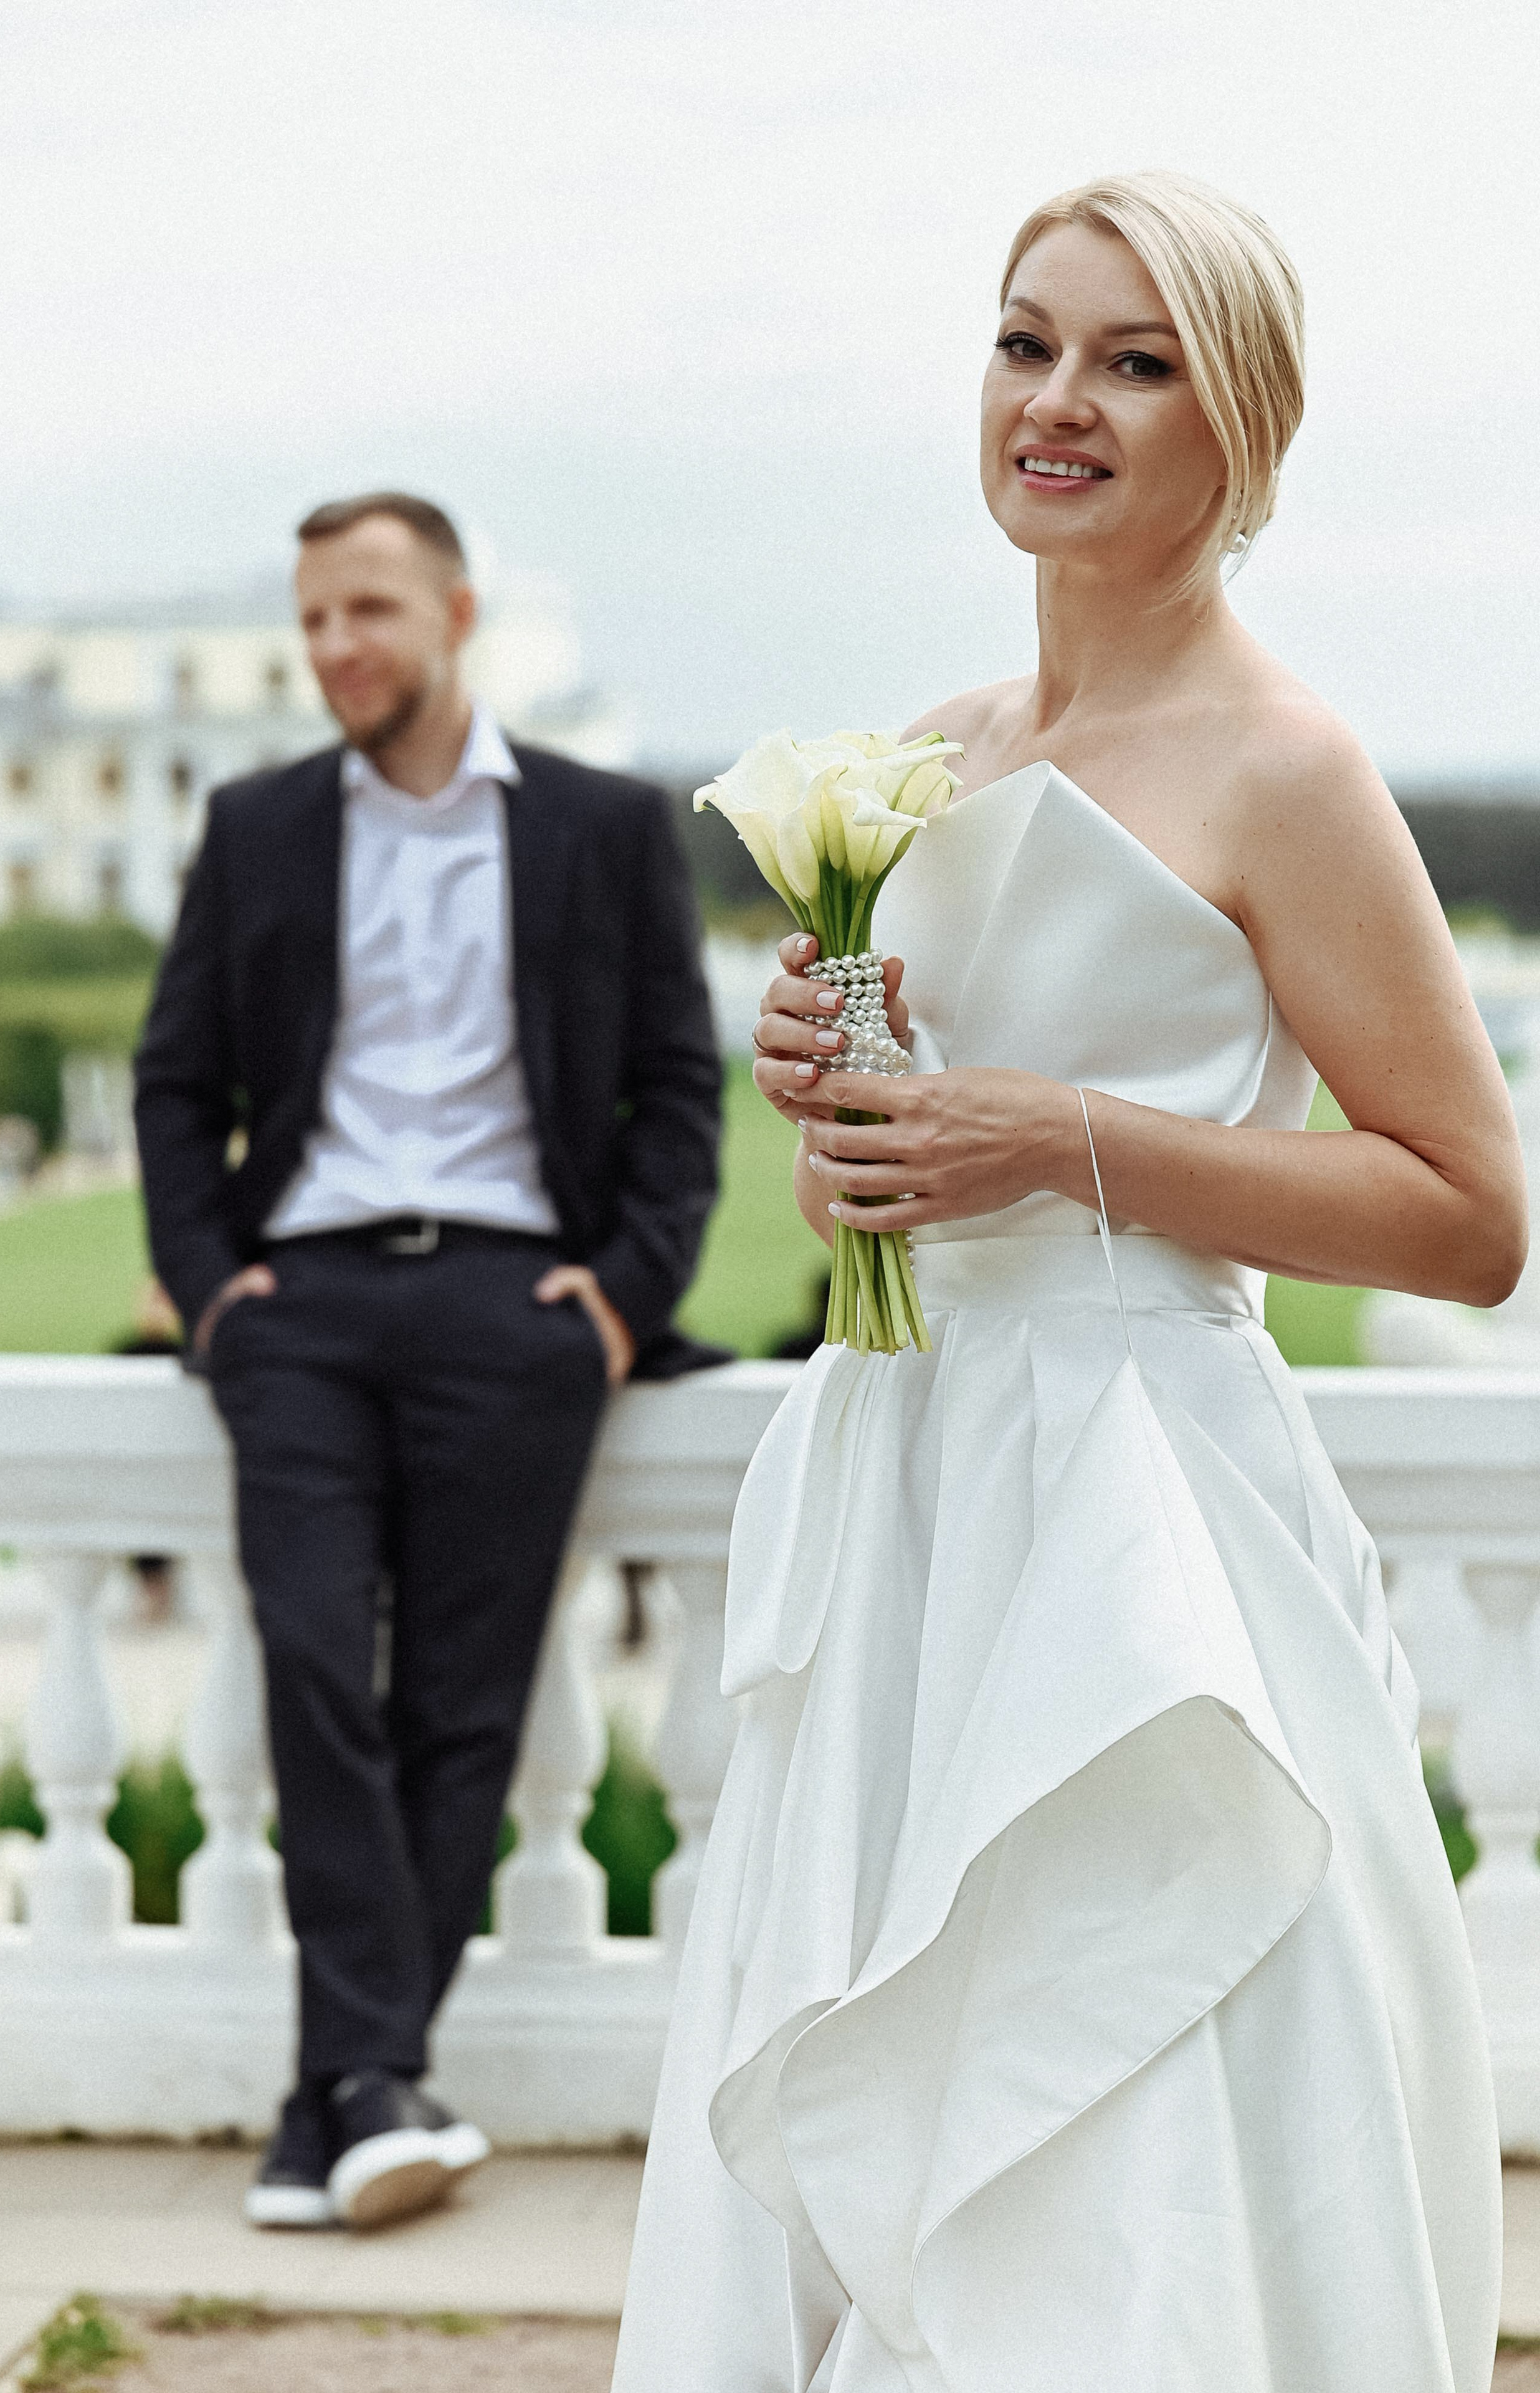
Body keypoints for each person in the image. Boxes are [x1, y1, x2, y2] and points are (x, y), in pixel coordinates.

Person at [613, 174, 1521, 2391]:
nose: (1061, 403)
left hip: (1144, 1519)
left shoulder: (1289, 773)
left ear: (1249, 430)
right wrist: (853, 1121)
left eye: (1138, 362)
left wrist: (1066, 1141)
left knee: (1123, 2093)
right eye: (1028, 344)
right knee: (886, 2058)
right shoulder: (939, 752)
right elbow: (889, 1198)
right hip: (911, 1499)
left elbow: (1476, 1217)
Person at [134, 492, 723, 2231]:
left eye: (369, 612)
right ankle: (372, 2088)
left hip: (516, 1308)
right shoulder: (253, 828)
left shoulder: (604, 827)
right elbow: (180, 1084)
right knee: (316, 1659)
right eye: (313, 621)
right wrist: (212, 1289)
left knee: (462, 1704)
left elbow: (681, 1092)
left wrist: (617, 1298)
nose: (336, 651)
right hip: (300, 1308)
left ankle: (344, 2101)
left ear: (459, 614)